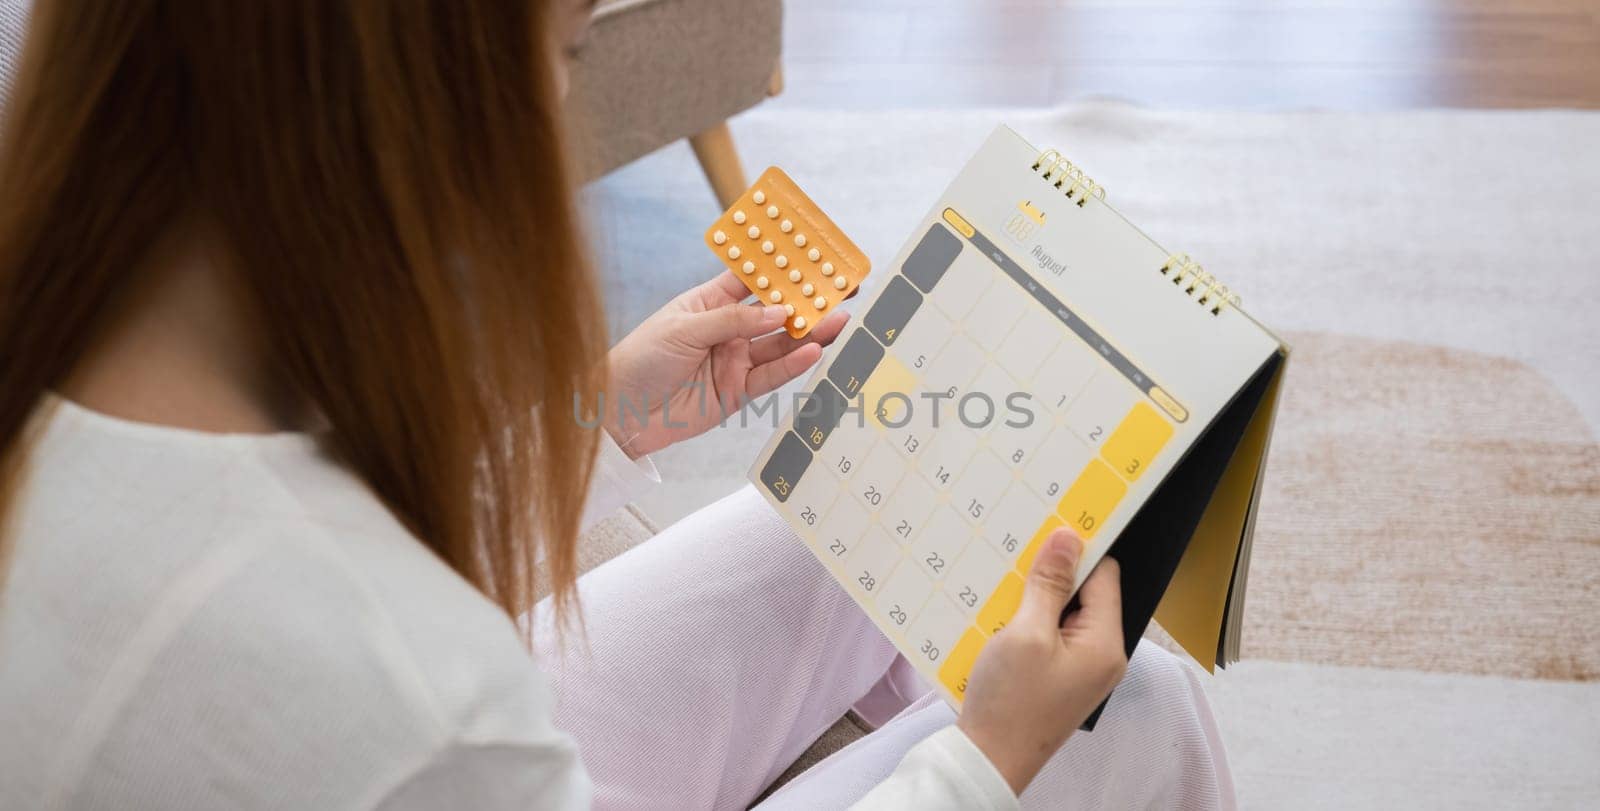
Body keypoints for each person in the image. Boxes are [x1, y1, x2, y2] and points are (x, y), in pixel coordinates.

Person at [0, 1, 1232, 808]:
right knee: (1128, 709)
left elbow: (322, 526)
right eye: (570, 51)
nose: (559, 101)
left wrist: (586, 421)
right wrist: (985, 758)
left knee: (836, 520)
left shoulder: (85, 342)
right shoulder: (421, 714)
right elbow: (370, 656)